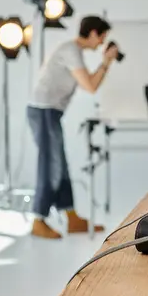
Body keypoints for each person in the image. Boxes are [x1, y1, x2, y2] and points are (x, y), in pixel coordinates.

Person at [27, 16, 120, 239]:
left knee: (61, 165)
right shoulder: (71, 50)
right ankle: (38, 219)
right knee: (51, 166)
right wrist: (106, 62)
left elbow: (91, 85)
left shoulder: (72, 51)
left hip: (50, 112)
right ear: (94, 33)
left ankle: (72, 217)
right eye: (102, 37)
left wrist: (106, 63)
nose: (101, 43)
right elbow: (90, 86)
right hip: (43, 110)